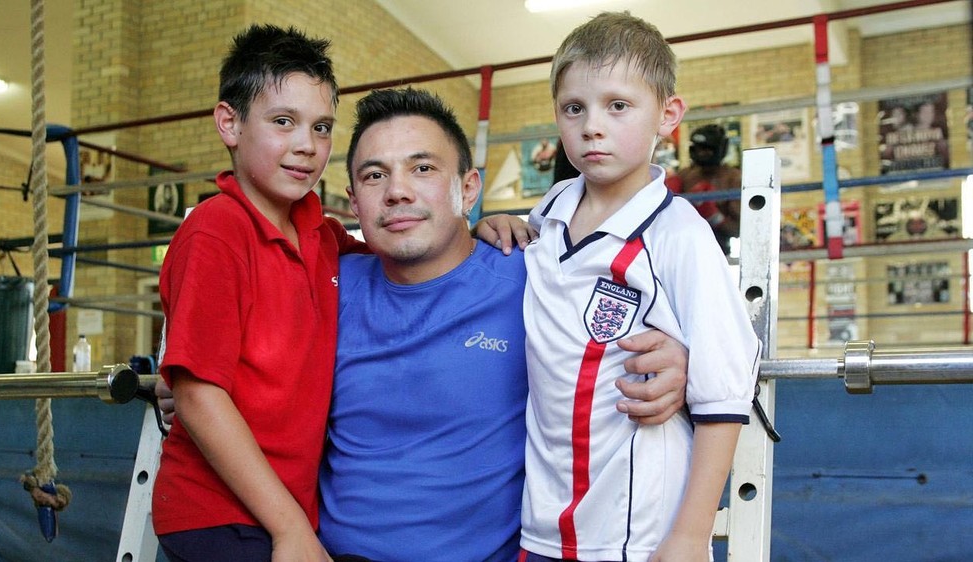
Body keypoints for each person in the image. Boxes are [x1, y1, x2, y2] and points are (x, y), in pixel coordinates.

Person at [157, 86, 692, 561]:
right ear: (353, 203)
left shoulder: (535, 278)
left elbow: (623, 338)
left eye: (423, 168)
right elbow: (228, 354)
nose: (397, 192)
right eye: (375, 175)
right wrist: (175, 381)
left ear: (468, 189)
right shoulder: (326, 282)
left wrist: (676, 364)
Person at [520, 12, 759, 562]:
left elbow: (723, 393)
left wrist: (690, 535)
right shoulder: (551, 209)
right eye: (574, 108)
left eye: (618, 106)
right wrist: (494, 228)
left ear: (667, 115)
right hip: (543, 521)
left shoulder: (680, 234)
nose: (592, 126)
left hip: (637, 530)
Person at [152, 24, 366, 562]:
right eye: (283, 121)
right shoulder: (215, 230)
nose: (307, 146)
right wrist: (290, 529)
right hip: (218, 514)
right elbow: (198, 395)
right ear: (230, 123)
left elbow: (405, 254)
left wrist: (476, 234)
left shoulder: (323, 236)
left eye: (321, 127)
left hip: (284, 511)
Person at [665, 123, 741, 255]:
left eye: (707, 149)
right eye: (699, 149)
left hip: (719, 250)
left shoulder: (733, 178)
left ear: (719, 149)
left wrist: (715, 217)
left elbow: (739, 230)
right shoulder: (684, 176)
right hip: (684, 250)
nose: (702, 154)